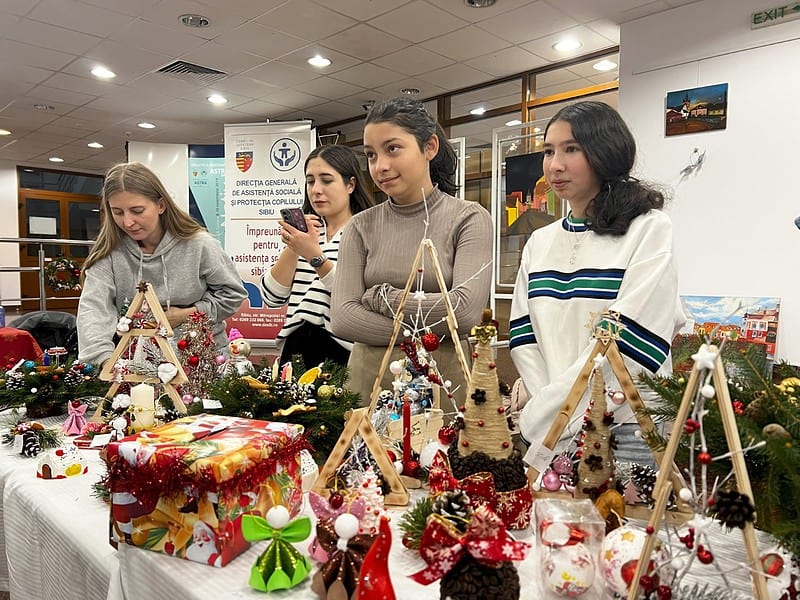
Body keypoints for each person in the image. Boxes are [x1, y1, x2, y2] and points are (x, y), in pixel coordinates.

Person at [508, 101, 685, 472]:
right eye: (548, 151)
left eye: (571, 149)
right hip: (551, 427)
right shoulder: (539, 242)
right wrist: (549, 410)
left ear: (605, 152)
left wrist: (547, 416)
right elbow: (525, 339)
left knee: (626, 526)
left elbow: (631, 345)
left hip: (626, 425)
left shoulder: (648, 229)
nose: (554, 165)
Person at [330, 97, 493, 405]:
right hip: (369, 387)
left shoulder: (469, 218)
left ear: (429, 147)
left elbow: (466, 312)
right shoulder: (359, 226)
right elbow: (344, 318)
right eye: (371, 155)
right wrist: (430, 332)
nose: (381, 166)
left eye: (392, 148)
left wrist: (381, 297)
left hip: (444, 387)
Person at [77, 162, 246, 367]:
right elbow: (93, 311)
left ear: (161, 205)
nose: (128, 222)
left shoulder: (200, 245)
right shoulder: (109, 253)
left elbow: (232, 295)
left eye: (137, 210)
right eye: (118, 212)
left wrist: (186, 315)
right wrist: (104, 362)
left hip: (203, 360)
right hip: (137, 363)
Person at [261, 145, 375, 368]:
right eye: (310, 181)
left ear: (350, 184)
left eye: (327, 180)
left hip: (343, 353)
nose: (316, 190)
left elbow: (358, 298)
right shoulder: (308, 231)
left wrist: (314, 255)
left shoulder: (368, 231)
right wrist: (294, 246)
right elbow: (272, 297)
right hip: (294, 351)